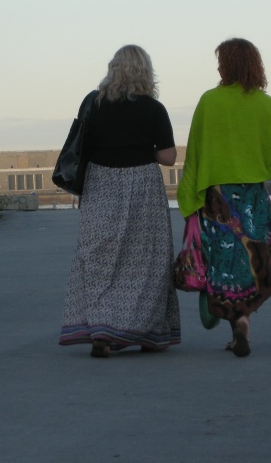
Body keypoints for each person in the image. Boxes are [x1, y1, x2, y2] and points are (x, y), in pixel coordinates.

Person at [59, 45, 181, 358]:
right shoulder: (154, 109)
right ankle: (146, 332)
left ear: (113, 69)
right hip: (142, 187)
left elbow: (82, 148)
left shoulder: (94, 103)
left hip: (101, 184)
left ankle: (101, 330)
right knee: (147, 260)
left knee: (100, 257)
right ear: (145, 72)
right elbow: (168, 157)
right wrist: (141, 147)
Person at [177, 38, 271, 358]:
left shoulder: (209, 102)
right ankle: (243, 320)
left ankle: (238, 321)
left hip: (216, 199)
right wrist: (259, 167)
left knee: (225, 264)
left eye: (220, 62)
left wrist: (191, 196)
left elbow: (195, 151)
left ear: (227, 65)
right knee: (254, 261)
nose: (217, 68)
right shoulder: (268, 106)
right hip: (252, 196)